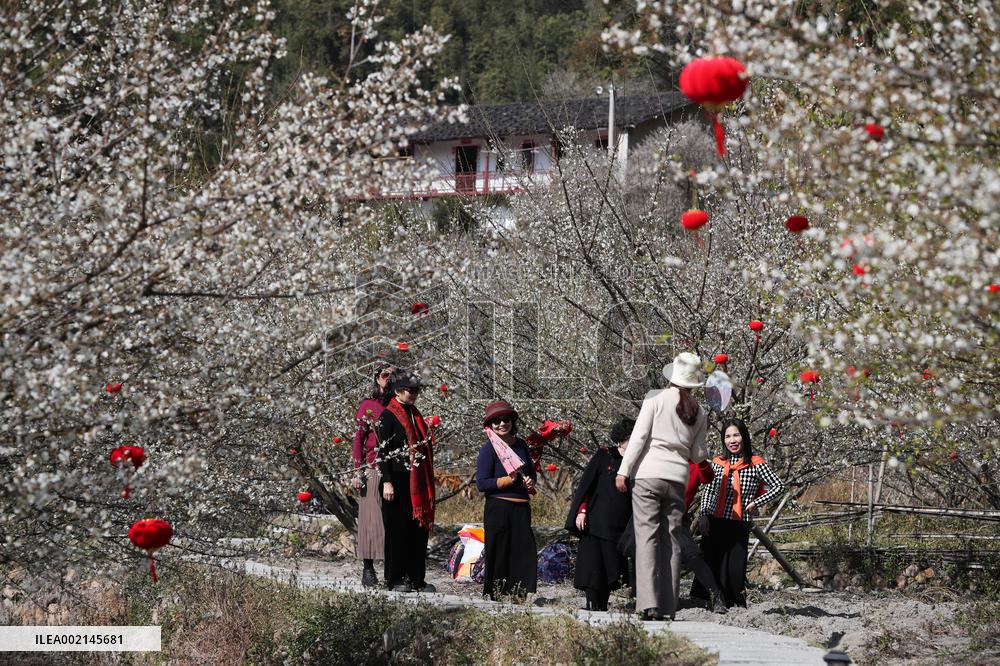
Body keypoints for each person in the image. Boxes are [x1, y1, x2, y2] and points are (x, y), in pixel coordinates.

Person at [615, 352, 710, 621]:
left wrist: (624, 471)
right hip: (678, 479)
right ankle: (669, 606)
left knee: (647, 537)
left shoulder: (654, 397)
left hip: (648, 475)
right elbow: (698, 455)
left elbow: (639, 436)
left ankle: (649, 604)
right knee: (672, 539)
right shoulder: (699, 411)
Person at [699, 418, 786, 608]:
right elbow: (708, 490)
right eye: (728, 436)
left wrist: (757, 501)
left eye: (736, 435)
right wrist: (703, 515)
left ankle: (734, 603)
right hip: (714, 520)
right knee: (712, 561)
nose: (732, 440)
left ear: (744, 437)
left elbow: (779, 486)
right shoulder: (717, 463)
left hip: (739, 522)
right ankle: (711, 600)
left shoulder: (756, 463)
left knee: (734, 566)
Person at [375, 370, 436, 593]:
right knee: (397, 530)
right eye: (410, 391)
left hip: (415, 480)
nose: (414, 395)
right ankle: (395, 578)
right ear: (398, 391)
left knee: (416, 530)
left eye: (416, 391)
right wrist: (387, 482)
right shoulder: (388, 416)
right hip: (397, 480)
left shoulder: (415, 415)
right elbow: (381, 452)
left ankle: (416, 578)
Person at [565, 417, 635, 611]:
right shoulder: (604, 455)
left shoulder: (637, 462)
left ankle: (601, 605)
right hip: (596, 520)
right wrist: (582, 510)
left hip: (620, 525)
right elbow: (587, 485)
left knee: (610, 567)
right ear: (623, 438)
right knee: (593, 566)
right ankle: (591, 604)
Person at [475, 400, 538, 601]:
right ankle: (496, 593)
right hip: (498, 507)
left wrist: (529, 481)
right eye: (497, 421)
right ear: (490, 425)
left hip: (521, 507)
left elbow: (531, 473)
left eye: (506, 419)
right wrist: (508, 480)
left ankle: (518, 592)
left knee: (523, 552)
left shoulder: (521, 445)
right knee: (499, 551)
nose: (502, 424)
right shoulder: (488, 449)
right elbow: (482, 483)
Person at [351, 363, 393, 587]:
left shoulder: (399, 405)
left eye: (394, 376)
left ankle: (394, 571)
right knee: (370, 519)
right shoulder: (369, 406)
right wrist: (358, 471)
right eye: (386, 375)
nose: (389, 379)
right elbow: (359, 438)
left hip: (396, 469)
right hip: (372, 468)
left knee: (393, 521)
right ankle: (368, 569)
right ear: (377, 378)